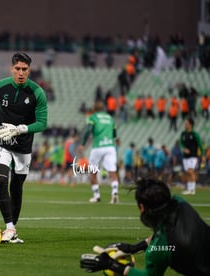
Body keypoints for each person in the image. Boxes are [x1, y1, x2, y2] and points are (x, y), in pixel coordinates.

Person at [80, 177, 210, 275]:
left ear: (142, 207)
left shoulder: (158, 250)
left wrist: (111, 264)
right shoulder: (180, 203)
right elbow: (163, 231)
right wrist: (134, 248)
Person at [0, 52, 47, 243]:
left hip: (23, 146)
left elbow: (42, 123)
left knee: (17, 186)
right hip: (2, 141)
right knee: (1, 181)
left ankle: (13, 229)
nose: (21, 73)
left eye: (25, 69)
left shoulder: (37, 93)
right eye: (18, 69)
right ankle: (9, 228)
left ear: (30, 70)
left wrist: (20, 129)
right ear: (12, 68)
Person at [78, 101, 119, 204]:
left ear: (94, 109)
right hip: (110, 146)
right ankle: (114, 193)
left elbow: (88, 130)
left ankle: (96, 196)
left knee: (93, 171)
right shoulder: (110, 118)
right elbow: (114, 134)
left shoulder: (93, 117)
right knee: (112, 171)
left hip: (98, 147)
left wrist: (83, 144)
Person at [179, 118, 204, 195]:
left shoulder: (195, 134)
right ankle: (189, 189)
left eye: (187, 123)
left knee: (191, 171)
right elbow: (181, 143)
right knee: (187, 173)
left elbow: (200, 145)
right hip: (185, 156)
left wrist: (203, 155)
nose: (185, 124)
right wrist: (184, 149)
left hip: (193, 156)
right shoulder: (183, 134)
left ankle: (193, 189)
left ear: (191, 125)